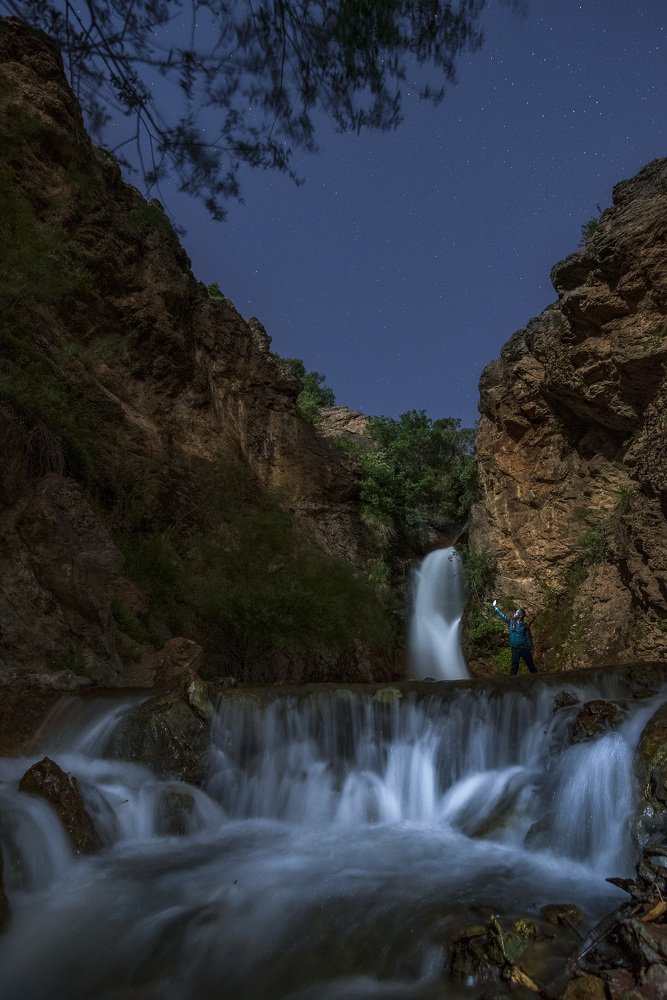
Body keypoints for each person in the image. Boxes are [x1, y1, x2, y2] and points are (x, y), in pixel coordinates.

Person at [491, 601, 538, 675]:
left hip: (524, 649)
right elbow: (503, 616)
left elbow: (529, 637)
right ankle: (512, 683)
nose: (514, 614)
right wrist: (495, 608)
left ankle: (537, 680)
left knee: (530, 665)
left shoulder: (525, 626)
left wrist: (530, 648)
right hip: (515, 648)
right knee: (514, 667)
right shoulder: (511, 622)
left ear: (520, 615)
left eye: (516, 613)